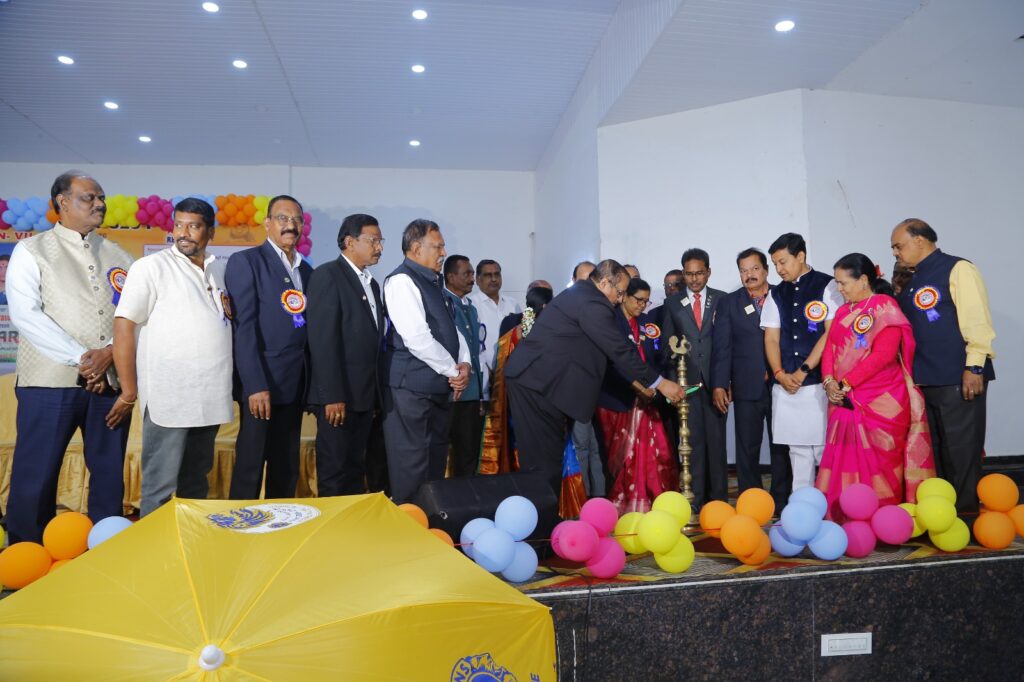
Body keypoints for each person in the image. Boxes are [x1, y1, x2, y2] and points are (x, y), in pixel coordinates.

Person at [4, 171, 133, 542]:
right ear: (62, 202)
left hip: (109, 383)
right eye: (89, 197)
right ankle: (27, 553)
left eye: (101, 197)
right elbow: (26, 315)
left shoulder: (121, 255)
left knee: (108, 474)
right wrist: (84, 358)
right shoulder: (32, 250)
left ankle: (106, 552)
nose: (99, 204)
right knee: (36, 473)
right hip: (48, 383)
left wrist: (109, 352)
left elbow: (134, 315)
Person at [504, 260, 686, 496]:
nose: (620, 299)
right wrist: (660, 382)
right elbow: (618, 349)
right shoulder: (592, 302)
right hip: (536, 385)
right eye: (620, 292)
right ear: (604, 283)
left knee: (548, 460)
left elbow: (606, 356)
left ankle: (542, 513)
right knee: (543, 464)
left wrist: (641, 384)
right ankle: (539, 516)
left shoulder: (583, 296)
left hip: (542, 385)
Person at [109, 198, 232, 516]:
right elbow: (123, 325)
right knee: (160, 487)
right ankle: (155, 546)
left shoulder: (218, 269)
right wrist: (129, 390)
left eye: (193, 226)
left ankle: (190, 542)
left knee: (196, 483)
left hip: (210, 396)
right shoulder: (151, 267)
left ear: (210, 232)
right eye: (178, 225)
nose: (183, 233)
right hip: (170, 398)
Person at [816, 253, 935, 521]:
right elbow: (830, 350)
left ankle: (883, 516)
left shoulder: (885, 308)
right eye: (837, 283)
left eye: (843, 283)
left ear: (863, 280)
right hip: (843, 399)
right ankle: (845, 514)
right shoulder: (843, 312)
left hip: (881, 399)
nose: (840, 289)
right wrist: (829, 382)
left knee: (882, 461)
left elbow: (884, 355)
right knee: (846, 459)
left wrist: (847, 383)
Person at [891, 219, 995, 513]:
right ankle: (944, 516)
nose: (895, 253)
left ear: (920, 240)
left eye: (899, 246)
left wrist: (974, 367)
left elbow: (976, 320)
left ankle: (966, 516)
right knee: (936, 453)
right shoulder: (913, 278)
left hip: (957, 377)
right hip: (925, 379)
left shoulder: (958, 268)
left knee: (961, 451)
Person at [224, 195, 313, 500]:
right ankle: (240, 522)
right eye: (283, 218)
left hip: (295, 383)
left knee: (286, 466)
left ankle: (281, 521)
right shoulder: (247, 262)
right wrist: (255, 385)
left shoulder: (306, 270)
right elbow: (244, 328)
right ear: (267, 223)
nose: (291, 225)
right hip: (262, 385)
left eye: (296, 219)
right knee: (250, 464)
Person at [382, 219, 471, 502]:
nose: (443, 253)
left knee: (434, 463)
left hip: (437, 389)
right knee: (412, 467)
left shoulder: (434, 283)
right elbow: (417, 338)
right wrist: (453, 371)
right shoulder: (402, 280)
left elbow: (452, 330)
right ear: (416, 248)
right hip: (411, 390)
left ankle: (430, 520)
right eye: (438, 246)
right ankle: (410, 524)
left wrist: (465, 363)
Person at [305, 214, 386, 496]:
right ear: (350, 242)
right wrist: (332, 395)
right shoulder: (328, 275)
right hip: (338, 398)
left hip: (364, 396)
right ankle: (332, 523)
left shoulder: (372, 283)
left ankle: (351, 521)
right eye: (373, 240)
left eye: (381, 241)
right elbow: (323, 340)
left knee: (355, 468)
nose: (379, 247)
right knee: (334, 470)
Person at [761, 233, 844, 492]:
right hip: (786, 384)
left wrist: (804, 369)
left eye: (783, 262)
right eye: (775, 264)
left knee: (822, 450)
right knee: (797, 452)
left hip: (818, 383)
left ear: (800, 256)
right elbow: (771, 338)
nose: (779, 269)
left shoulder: (828, 286)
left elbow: (830, 333)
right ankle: (802, 504)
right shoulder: (776, 294)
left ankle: (829, 505)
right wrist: (779, 373)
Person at [710, 248, 791, 510]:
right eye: (743, 270)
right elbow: (722, 347)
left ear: (766, 270)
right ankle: (751, 502)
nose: (749, 275)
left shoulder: (783, 295)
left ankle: (782, 500)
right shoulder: (729, 303)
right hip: (746, 384)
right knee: (747, 448)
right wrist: (720, 383)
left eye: (754, 268)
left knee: (781, 445)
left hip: (782, 384)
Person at [595, 278, 679, 513]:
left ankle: (652, 499)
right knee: (623, 457)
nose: (642, 305)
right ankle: (623, 503)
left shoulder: (646, 322)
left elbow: (654, 357)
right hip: (617, 397)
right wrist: (639, 388)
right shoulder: (611, 321)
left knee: (655, 451)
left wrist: (657, 382)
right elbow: (611, 363)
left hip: (648, 398)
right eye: (638, 300)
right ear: (623, 296)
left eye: (646, 301)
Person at [660, 248, 726, 510]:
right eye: (689, 274)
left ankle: (719, 500)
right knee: (692, 442)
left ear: (708, 272)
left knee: (717, 442)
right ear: (683, 274)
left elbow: (727, 345)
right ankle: (695, 500)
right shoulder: (672, 304)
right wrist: (672, 384)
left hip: (716, 382)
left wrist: (726, 381)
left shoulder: (722, 299)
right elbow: (667, 347)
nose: (694, 279)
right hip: (686, 385)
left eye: (699, 273)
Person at [479, 285, 554, 475]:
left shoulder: (511, 333)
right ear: (546, 307)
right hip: (542, 403)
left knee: (520, 446)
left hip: (515, 402)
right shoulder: (549, 332)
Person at [444, 255, 485, 477]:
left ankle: (466, 494)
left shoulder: (471, 308)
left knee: (468, 451)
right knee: (442, 452)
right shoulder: (442, 303)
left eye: (472, 273)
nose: (472, 278)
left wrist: (479, 393)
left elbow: (475, 354)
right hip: (450, 390)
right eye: (466, 273)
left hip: (470, 392)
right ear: (450, 277)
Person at [468, 259, 520, 406]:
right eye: (488, 275)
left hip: (513, 376)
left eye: (497, 274)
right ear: (478, 279)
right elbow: (472, 344)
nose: (494, 279)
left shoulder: (513, 304)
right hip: (485, 378)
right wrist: (487, 371)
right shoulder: (472, 305)